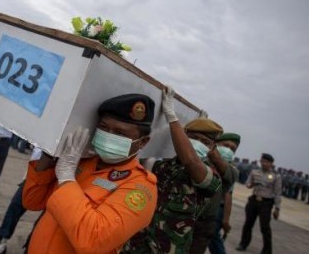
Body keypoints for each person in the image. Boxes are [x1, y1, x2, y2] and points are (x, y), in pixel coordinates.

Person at [22, 94, 158, 253]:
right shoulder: (81, 161)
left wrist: (66, 177)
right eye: (104, 127)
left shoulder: (139, 187)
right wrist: (50, 151)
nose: (108, 136)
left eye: (120, 133)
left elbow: (93, 241)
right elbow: (32, 201)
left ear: (142, 142)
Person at [122, 86, 223, 254]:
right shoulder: (162, 166)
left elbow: (190, 160)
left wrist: (171, 116)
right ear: (184, 137)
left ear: (212, 148)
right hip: (136, 244)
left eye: (205, 142)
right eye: (194, 138)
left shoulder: (212, 178)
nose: (198, 143)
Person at [0, 148, 42, 254]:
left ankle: (30, 248)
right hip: (32, 176)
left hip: (52, 179)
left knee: (43, 221)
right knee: (14, 207)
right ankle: (0, 244)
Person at [236, 153, 282, 254]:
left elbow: (278, 193)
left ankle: (267, 250)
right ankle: (243, 244)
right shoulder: (254, 172)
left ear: (271, 164)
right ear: (260, 162)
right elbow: (247, 184)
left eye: (267, 162)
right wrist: (251, 184)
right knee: (248, 224)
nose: (264, 163)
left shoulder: (276, 176)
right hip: (254, 200)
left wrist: (277, 208)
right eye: (263, 161)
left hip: (266, 203)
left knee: (265, 227)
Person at [208, 133, 241, 254]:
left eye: (233, 148)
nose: (228, 150)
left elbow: (228, 195)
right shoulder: (204, 158)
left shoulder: (230, 170)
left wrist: (226, 219)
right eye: (226, 145)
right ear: (216, 144)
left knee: (213, 238)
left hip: (216, 209)